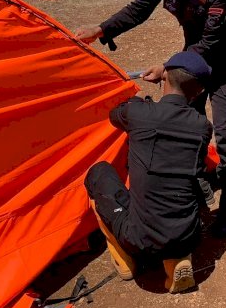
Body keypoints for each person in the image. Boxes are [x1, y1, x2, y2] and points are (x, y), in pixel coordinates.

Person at [75, 0, 226, 237]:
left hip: (224, 68)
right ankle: (195, 187)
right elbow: (139, 8)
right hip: (190, 61)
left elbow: (209, 44)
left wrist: (169, 68)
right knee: (185, 127)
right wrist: (103, 29)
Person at [85, 51, 213, 293]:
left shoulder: (138, 113)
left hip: (141, 240)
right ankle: (176, 260)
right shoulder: (202, 127)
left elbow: (115, 115)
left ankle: (125, 258)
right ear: (198, 93)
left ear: (164, 77)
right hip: (188, 235)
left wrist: (141, 100)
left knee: (98, 173)